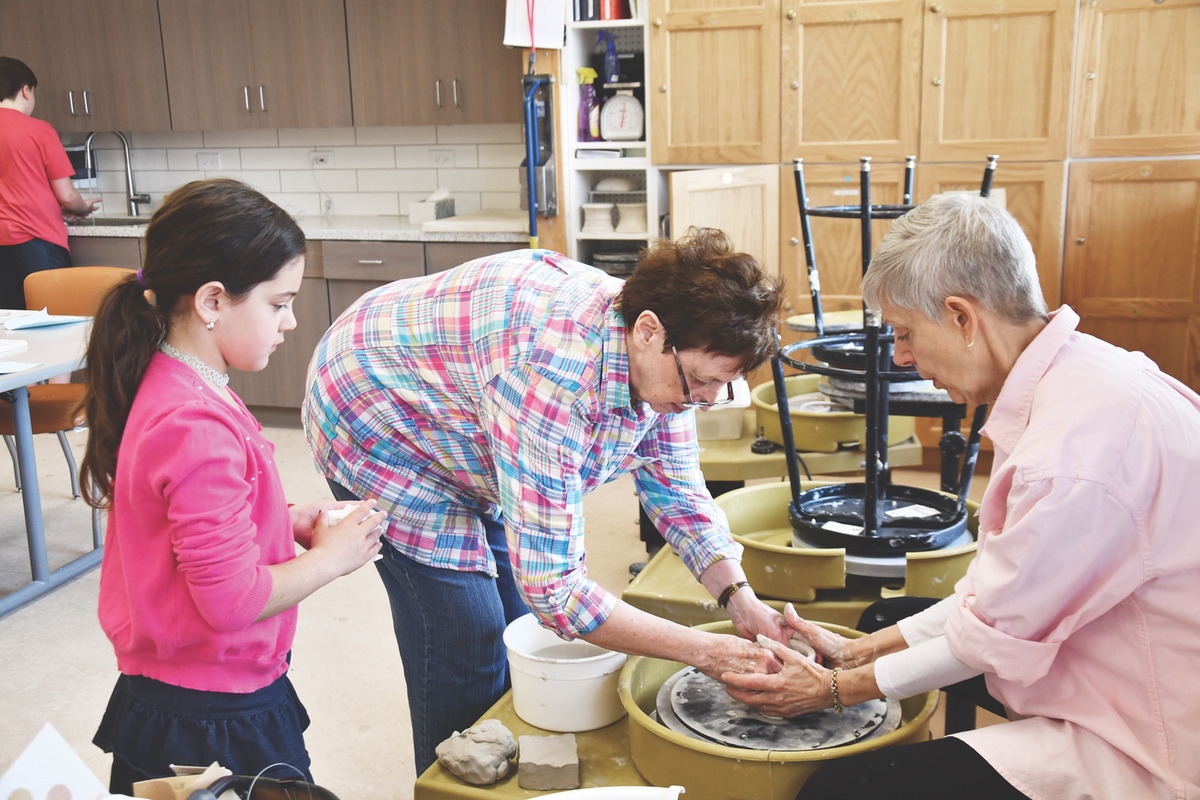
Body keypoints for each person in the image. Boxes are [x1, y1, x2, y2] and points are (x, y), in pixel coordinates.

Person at [722, 192, 1200, 800]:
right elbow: (1003, 598)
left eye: (904, 332)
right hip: (1113, 647)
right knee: (882, 622)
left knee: (838, 793)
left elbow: (994, 631)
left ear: (962, 318)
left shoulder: (1075, 457)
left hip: (1155, 736)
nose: (898, 356)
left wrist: (832, 689)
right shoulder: (1091, 372)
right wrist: (859, 652)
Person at [302, 228, 791, 772]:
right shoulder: (550, 375)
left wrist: (740, 601)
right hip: (378, 417)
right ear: (648, 331)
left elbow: (677, 487)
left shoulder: (663, 356)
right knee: (468, 635)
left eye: (721, 386)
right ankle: (454, 785)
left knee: (517, 624)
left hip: (467, 399)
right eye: (699, 381)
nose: (706, 400)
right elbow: (557, 591)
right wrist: (706, 650)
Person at [78, 179, 387, 794]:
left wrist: (286, 519)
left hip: (183, 692)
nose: (291, 321)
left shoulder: (178, 382)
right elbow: (232, 602)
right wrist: (331, 559)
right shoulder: (194, 423)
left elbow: (195, 514)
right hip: (209, 714)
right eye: (278, 303)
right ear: (213, 301)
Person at [0, 56, 100, 309]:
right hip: (35, 237)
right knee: (54, 316)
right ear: (25, 90)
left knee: (11, 320)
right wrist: (82, 207)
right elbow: (66, 195)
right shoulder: (38, 130)